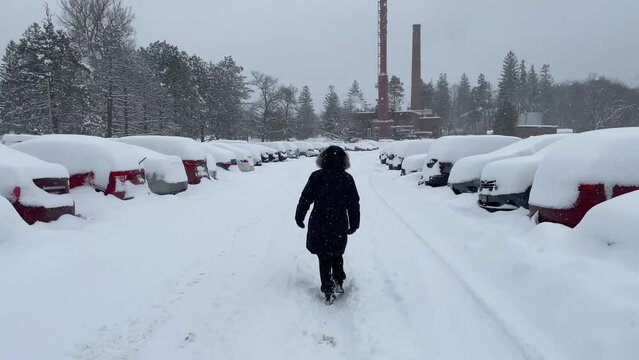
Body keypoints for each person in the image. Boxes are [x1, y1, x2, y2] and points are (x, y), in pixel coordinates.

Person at [295, 145, 360, 304]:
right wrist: (354, 223)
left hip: (319, 221)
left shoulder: (317, 176)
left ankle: (328, 288)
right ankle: (338, 280)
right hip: (338, 222)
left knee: (323, 255)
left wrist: (299, 216)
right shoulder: (346, 178)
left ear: (322, 159)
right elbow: (353, 204)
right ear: (344, 160)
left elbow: (306, 198)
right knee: (337, 252)